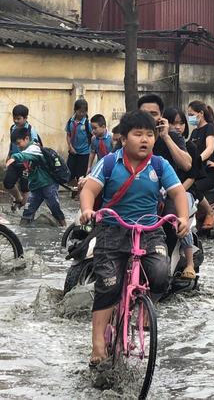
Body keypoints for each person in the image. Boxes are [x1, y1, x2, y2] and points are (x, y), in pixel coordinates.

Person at [78, 109, 189, 366]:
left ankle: (145, 304)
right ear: (123, 139)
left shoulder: (160, 164)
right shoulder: (108, 163)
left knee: (161, 276)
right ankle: (97, 343)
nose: (145, 140)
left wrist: (182, 218)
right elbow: (90, 190)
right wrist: (87, 209)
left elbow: (178, 194)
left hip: (150, 231)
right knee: (107, 284)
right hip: (112, 230)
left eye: (149, 134)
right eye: (138, 134)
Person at [163, 106, 205, 280]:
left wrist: (176, 191)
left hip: (185, 190)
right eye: (173, 123)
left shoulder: (190, 147)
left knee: (182, 217)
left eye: (181, 123)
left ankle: (189, 263)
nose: (177, 127)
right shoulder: (158, 145)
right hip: (163, 190)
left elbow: (192, 175)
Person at [5, 127, 66, 226]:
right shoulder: (29, 149)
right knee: (27, 212)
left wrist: (14, 157)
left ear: (27, 138)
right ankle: (22, 233)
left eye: (19, 143)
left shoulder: (34, 148)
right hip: (36, 188)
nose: (18, 146)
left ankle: (64, 229)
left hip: (47, 184)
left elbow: (25, 155)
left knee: (55, 208)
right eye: (16, 144)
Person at [188, 100, 214, 229]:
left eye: (191, 114)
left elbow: (210, 149)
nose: (190, 117)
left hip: (209, 173)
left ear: (201, 113)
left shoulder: (209, 128)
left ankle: (210, 211)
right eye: (188, 115)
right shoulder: (194, 132)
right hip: (196, 172)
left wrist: (197, 160)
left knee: (193, 188)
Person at [4, 104, 40, 211]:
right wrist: (9, 155)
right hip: (14, 161)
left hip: (26, 164)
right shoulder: (13, 128)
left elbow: (36, 147)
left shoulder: (31, 131)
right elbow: (12, 142)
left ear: (25, 118)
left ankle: (27, 210)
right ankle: (18, 198)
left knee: (25, 187)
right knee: (8, 182)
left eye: (19, 118)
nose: (16, 121)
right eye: (14, 118)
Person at [65, 99, 93, 184]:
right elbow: (68, 135)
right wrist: (71, 147)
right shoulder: (70, 121)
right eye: (79, 111)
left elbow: (92, 135)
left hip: (84, 153)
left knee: (81, 175)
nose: (81, 114)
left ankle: (79, 193)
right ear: (75, 110)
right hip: (73, 152)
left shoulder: (87, 123)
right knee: (69, 174)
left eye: (84, 112)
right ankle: (75, 188)